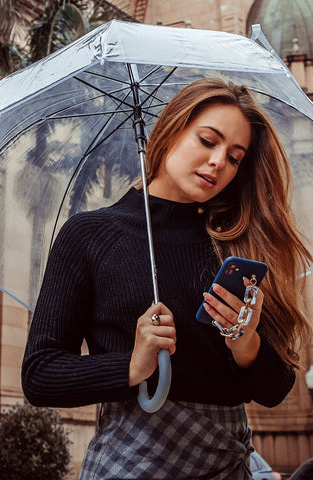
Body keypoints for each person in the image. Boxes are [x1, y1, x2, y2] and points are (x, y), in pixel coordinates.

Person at [21, 78, 312, 479]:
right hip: (129, 462)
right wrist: (131, 366)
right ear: (172, 128)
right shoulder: (88, 236)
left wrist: (246, 342)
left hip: (227, 464)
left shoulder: (237, 245)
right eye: (208, 140)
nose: (218, 162)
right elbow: (40, 375)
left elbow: (274, 389)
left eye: (234, 157)